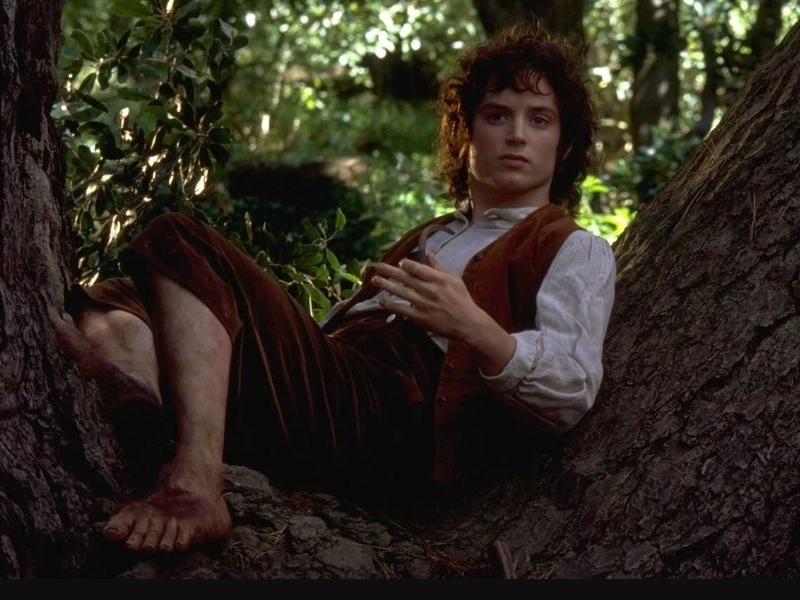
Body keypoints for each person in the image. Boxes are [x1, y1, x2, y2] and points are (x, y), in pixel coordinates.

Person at [49, 18, 616, 555]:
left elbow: (571, 390)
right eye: (497, 115)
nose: (516, 134)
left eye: (539, 120)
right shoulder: (438, 232)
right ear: (465, 133)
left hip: (394, 419)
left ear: (564, 145)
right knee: (120, 296)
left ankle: (194, 483)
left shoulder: (573, 246)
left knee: (180, 240)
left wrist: (475, 327)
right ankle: (143, 411)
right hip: (337, 383)